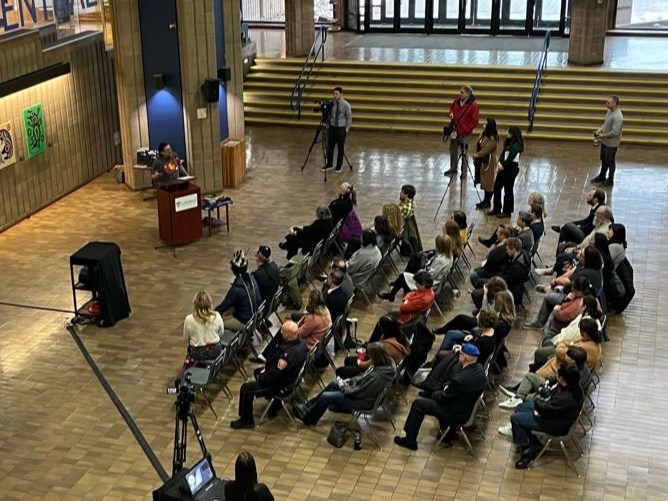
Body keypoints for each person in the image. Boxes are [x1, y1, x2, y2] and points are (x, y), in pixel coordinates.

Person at [393, 343, 487, 450]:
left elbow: (443, 397)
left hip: (456, 413)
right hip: (466, 408)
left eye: (460, 353)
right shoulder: (479, 369)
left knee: (418, 404)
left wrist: (435, 393)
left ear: (464, 357)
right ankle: (448, 434)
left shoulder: (460, 380)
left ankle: (410, 440)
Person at [293, 343, 396, 426]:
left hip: (363, 401)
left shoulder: (377, 376)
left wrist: (345, 388)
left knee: (326, 397)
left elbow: (360, 392)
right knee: (334, 383)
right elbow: (363, 376)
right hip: (361, 392)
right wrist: (350, 380)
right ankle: (308, 407)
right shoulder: (386, 363)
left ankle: (309, 419)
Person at [230, 325, 307, 429]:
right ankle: (275, 404)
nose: (281, 334)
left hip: (280, 385)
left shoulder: (288, 355)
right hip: (288, 378)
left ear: (288, 335)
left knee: (246, 388)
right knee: (257, 371)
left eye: (283, 332)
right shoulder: (301, 343)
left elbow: (274, 376)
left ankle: (246, 419)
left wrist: (262, 377)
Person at [508, 363, 583, 469]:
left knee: (515, 419)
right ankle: (533, 442)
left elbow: (547, 408)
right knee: (520, 407)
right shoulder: (575, 387)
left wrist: (539, 411)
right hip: (554, 415)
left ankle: (526, 451)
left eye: (558, 374)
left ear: (563, 379)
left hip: (554, 424)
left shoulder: (565, 398)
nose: (556, 374)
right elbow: (550, 406)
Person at [257, 289, 331, 363]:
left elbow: (298, 333)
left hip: (307, 347)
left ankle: (267, 356)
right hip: (315, 343)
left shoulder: (313, 319)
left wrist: (297, 324)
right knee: (285, 330)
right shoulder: (325, 311)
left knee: (284, 332)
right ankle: (266, 355)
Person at [380, 235, 453, 302]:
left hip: (428, 283)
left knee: (403, 276)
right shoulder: (449, 256)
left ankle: (396, 295)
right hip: (430, 277)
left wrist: (421, 270)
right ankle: (393, 293)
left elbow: (430, 275)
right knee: (415, 260)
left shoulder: (441, 261)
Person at [336, 316, 410, 379]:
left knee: (340, 371)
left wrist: (359, 359)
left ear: (385, 329)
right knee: (348, 360)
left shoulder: (386, 347)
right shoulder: (401, 336)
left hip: (375, 372)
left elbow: (367, 365)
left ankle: (353, 383)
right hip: (384, 366)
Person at [215, 250, 261, 332]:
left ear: (233, 269)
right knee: (227, 313)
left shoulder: (237, 288)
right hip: (255, 317)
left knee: (216, 323)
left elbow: (223, 307)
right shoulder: (251, 278)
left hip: (245, 322)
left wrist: (209, 314)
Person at [444, 85, 480, 178]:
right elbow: (451, 110)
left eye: (462, 92)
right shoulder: (456, 101)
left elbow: (474, 121)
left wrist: (467, 129)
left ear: (468, 94)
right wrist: (451, 115)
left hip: (464, 132)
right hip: (454, 130)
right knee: (453, 149)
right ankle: (453, 168)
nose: (460, 94)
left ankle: (464, 171)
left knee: (464, 151)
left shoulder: (474, 105)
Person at [489, 126, 524, 218]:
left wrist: (502, 165)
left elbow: (510, 159)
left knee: (508, 190)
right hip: (503, 168)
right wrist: (499, 162)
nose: (506, 133)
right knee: (497, 188)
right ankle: (496, 208)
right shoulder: (509, 143)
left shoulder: (516, 145)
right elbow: (503, 154)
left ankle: (507, 211)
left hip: (510, 169)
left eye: (508, 131)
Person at [183, 290, 224, 364]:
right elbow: (221, 333)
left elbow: (186, 338)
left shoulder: (189, 319)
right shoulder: (217, 316)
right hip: (215, 350)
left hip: (196, 352)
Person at [591, 95, 623, 187]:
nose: (606, 104)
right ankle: (602, 176)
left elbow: (615, 132)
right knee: (604, 159)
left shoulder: (618, 116)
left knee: (610, 161)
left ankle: (610, 180)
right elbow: (605, 124)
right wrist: (599, 130)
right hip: (605, 142)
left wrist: (602, 136)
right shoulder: (609, 111)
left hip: (612, 144)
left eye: (608, 103)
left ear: (614, 104)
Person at [472, 117, 499, 209]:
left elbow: (487, 150)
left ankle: (487, 201)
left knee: (489, 182)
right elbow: (478, 142)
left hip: (490, 162)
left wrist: (477, 155)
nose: (483, 124)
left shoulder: (492, 138)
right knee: (484, 181)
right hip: (483, 161)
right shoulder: (484, 134)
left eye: (485, 123)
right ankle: (485, 200)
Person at [324, 86, 352, 172]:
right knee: (330, 147)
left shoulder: (346, 105)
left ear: (341, 94)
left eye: (337, 94)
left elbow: (349, 117)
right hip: (332, 128)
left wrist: (346, 129)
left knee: (340, 148)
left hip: (341, 128)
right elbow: (328, 115)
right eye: (334, 94)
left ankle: (339, 166)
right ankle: (329, 164)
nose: (335, 95)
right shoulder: (331, 104)